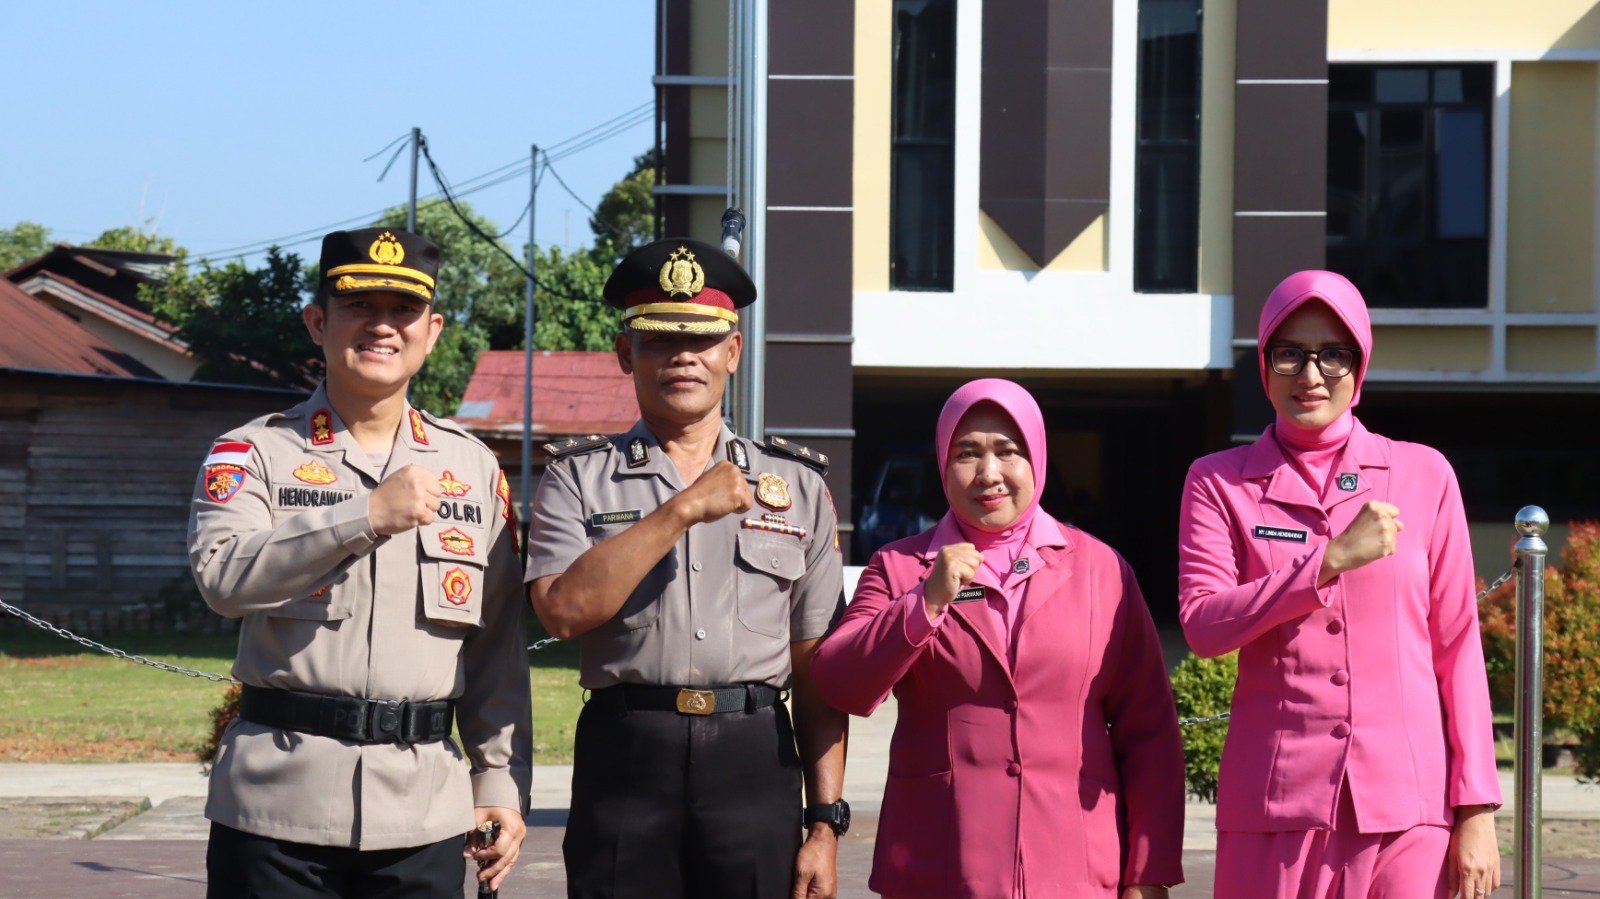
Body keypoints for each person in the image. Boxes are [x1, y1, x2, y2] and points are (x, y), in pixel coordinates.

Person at [187, 227, 532, 897]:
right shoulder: (254, 453)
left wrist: (496, 780)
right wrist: (363, 517)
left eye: (402, 311)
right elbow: (222, 577)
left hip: (423, 814)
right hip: (275, 809)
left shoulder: (472, 467)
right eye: (358, 306)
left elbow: (496, 645)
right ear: (319, 321)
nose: (382, 326)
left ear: (431, 331)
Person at [525, 237, 849, 899]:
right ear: (625, 353)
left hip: (754, 757)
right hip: (627, 756)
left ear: (731, 352)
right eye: (658, 340)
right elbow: (560, 611)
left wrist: (824, 821)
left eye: (701, 341)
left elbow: (817, 673)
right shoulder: (576, 478)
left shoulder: (797, 486)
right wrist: (679, 510)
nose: (682, 357)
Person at [1177, 270, 1502, 898]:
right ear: (1265, 365)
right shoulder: (1217, 482)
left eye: (1334, 353)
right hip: (1274, 811)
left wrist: (1477, 810)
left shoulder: (1424, 473)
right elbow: (1204, 623)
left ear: (1361, 364)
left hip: (1409, 810)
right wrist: (1325, 562)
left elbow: (1458, 649)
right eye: (1290, 352)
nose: (1311, 373)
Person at [811, 378, 1185, 899]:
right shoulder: (898, 567)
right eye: (967, 453)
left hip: (1074, 864)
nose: (989, 473)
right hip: (941, 864)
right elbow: (838, 682)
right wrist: (925, 604)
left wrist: (1148, 870)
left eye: (1008, 452)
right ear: (943, 463)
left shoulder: (1103, 570)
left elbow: (1149, 731)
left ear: (1038, 458)